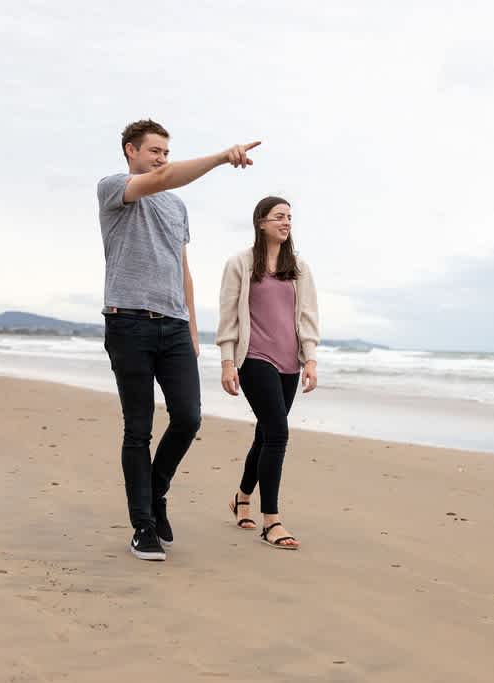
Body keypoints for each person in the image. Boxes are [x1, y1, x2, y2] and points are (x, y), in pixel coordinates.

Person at [97, 119, 259, 561]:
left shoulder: (176, 207)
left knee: (188, 417)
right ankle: (143, 526)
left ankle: (157, 491)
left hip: (173, 326)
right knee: (139, 429)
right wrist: (224, 156)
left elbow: (181, 267)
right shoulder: (113, 188)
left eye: (166, 152)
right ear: (131, 151)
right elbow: (162, 179)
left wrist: (190, 327)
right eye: (154, 151)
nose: (161, 160)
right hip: (128, 323)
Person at [216, 196, 320, 550]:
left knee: (265, 434)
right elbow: (229, 316)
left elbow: (307, 317)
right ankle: (271, 521)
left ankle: (241, 497)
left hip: (290, 361)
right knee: (278, 433)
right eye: (279, 216)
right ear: (261, 221)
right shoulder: (240, 264)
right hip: (254, 358)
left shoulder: (299, 268)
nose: (286, 222)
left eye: (290, 217)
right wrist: (228, 362)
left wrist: (311, 359)